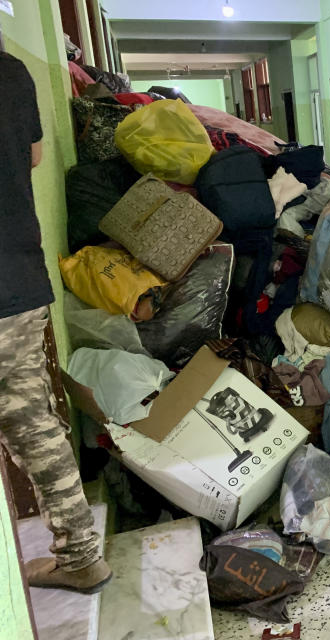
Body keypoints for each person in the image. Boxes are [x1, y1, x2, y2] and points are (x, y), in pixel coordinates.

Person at [0, 52, 112, 593]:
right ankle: (81, 555)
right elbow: (35, 155)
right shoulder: (11, 71)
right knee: (36, 427)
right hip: (17, 282)